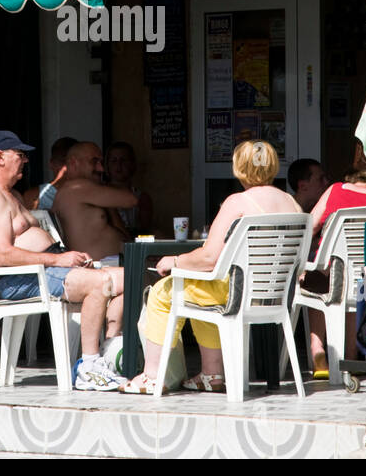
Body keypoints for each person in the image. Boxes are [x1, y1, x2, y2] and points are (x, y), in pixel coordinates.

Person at [121, 140, 299, 394]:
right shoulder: (292, 203)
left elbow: (209, 258)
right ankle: (212, 375)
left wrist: (175, 262)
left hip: (235, 293)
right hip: (274, 295)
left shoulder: (238, 202)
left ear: (238, 167)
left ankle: (152, 376)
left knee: (163, 293)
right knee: (200, 289)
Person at [0, 129, 127, 391]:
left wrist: (63, 259)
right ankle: (89, 365)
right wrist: (58, 260)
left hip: (44, 268)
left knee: (128, 278)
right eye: (20, 155)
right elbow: (3, 254)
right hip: (21, 278)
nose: (25, 160)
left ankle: (108, 352)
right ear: (0, 157)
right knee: (100, 284)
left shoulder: (10, 193)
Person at [303, 140, 366, 377]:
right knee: (353, 285)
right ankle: (351, 358)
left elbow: (309, 227)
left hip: (332, 280)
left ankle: (318, 348)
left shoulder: (336, 190)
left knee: (314, 276)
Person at [51, 142, 139, 264]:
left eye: (101, 163)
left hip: (114, 263)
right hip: (100, 267)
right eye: (94, 161)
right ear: (73, 163)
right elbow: (130, 199)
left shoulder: (82, 191)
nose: (101, 169)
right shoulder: (76, 187)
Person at [105, 141, 155, 236]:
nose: (118, 165)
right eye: (114, 160)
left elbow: (144, 229)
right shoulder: (99, 193)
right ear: (107, 165)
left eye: (123, 160)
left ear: (132, 164)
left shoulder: (142, 197)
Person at [22, 135, 77, 209]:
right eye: (62, 161)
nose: (66, 167)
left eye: (71, 163)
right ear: (51, 164)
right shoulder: (34, 196)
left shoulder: (89, 193)